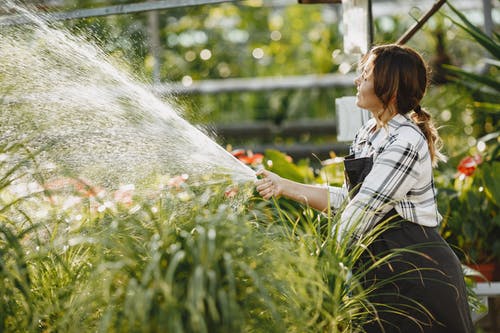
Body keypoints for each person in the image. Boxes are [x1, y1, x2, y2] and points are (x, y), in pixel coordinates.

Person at [255, 44, 474, 333]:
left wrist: (313, 264)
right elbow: (350, 200)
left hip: (416, 273)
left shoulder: (406, 142)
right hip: (380, 267)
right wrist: (284, 186)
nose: (358, 81)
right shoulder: (367, 134)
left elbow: (364, 209)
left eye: (366, 76)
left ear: (390, 90)